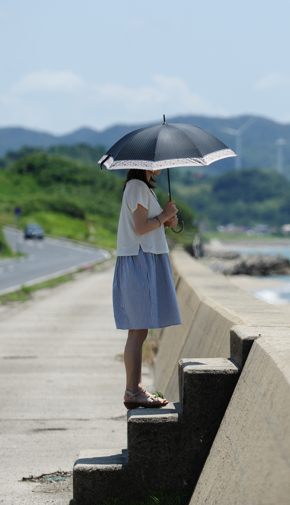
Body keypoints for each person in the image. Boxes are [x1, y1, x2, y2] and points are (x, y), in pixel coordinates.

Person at [113, 168, 181, 409]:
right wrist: (164, 215)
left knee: (139, 331)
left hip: (141, 258)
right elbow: (141, 227)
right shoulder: (137, 187)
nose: (160, 165)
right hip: (139, 261)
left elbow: (143, 229)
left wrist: (165, 221)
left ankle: (136, 389)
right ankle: (133, 391)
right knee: (137, 330)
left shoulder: (141, 188)